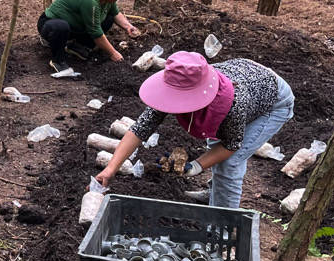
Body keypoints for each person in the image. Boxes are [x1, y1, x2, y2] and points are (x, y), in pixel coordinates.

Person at [95, 51, 295, 208]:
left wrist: (195, 166)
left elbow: (231, 145)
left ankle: (222, 227)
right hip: (248, 76)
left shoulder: (234, 103)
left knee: (230, 162)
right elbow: (141, 128)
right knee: (215, 144)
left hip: (274, 101)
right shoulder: (177, 83)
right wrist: (111, 168)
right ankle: (214, 193)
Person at [38, 0, 140, 68]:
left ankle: (78, 47)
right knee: (61, 27)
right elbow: (96, 32)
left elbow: (115, 14)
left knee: (109, 18)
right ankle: (58, 60)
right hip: (50, 25)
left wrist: (128, 27)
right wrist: (113, 53)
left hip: (74, 27)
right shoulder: (89, 0)